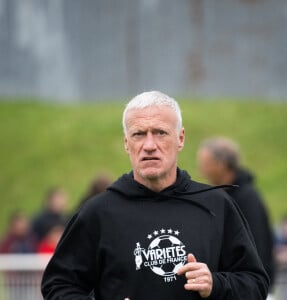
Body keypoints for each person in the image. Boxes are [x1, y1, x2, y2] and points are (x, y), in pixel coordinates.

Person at [41, 91, 269, 299]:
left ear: (180, 138)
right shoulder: (99, 212)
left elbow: (255, 284)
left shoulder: (216, 206)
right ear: (126, 143)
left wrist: (216, 284)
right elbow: (58, 286)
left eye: (160, 132)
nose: (149, 145)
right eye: (139, 134)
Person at [197, 137, 275, 294]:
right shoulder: (229, 195)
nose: (202, 171)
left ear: (221, 165)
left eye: (206, 164)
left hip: (251, 290)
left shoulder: (245, 198)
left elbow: (255, 247)